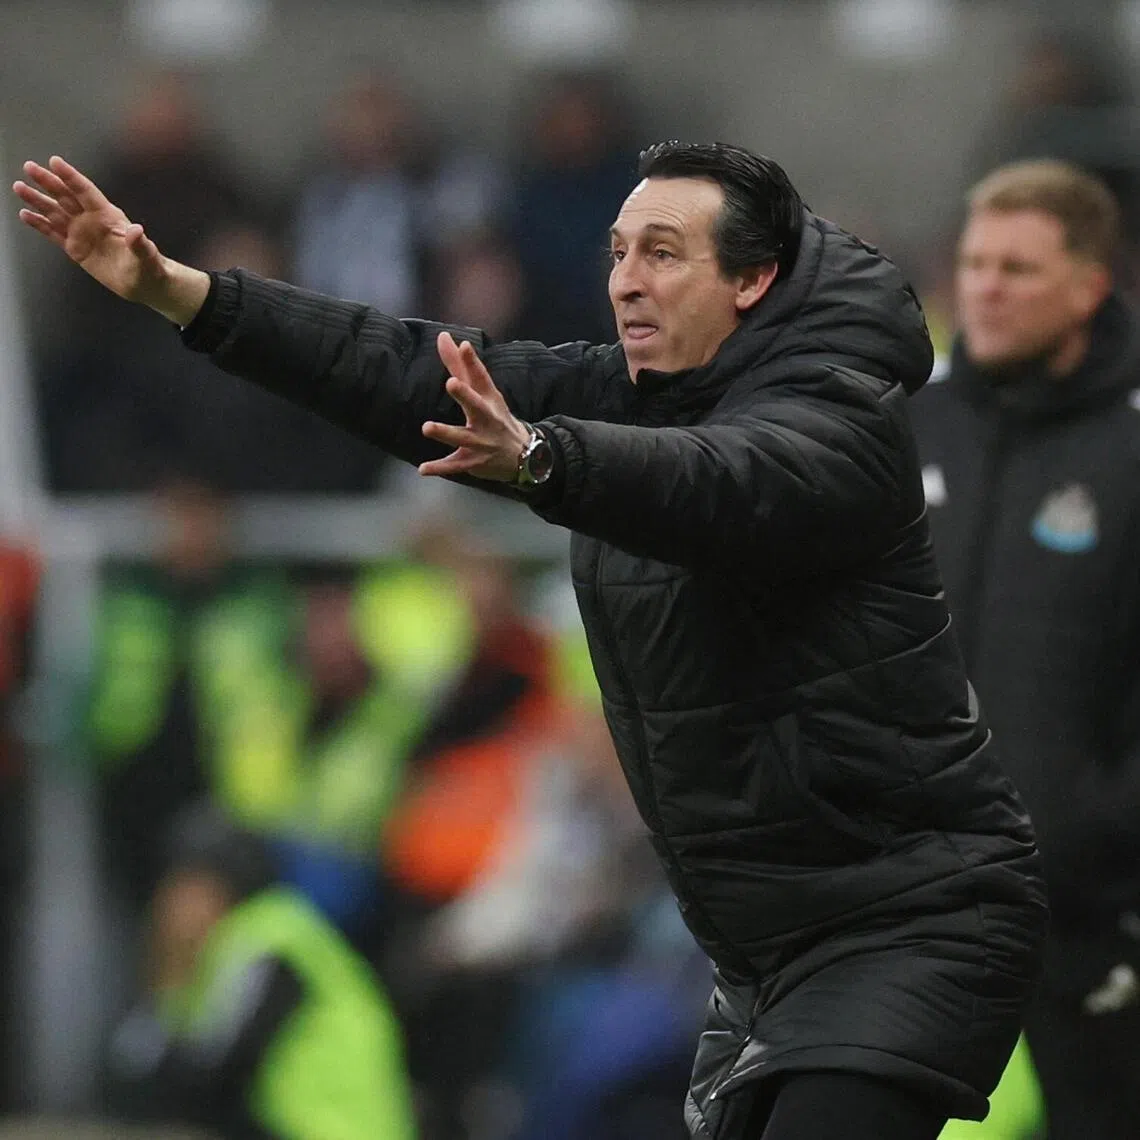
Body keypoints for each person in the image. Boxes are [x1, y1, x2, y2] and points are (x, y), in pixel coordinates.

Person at [13, 143, 1048, 1140]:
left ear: (753, 279)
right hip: (763, 949)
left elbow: (718, 481)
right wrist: (187, 296)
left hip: (910, 915)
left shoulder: (842, 416)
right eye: (616, 252)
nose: (627, 282)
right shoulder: (629, 395)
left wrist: (545, 459)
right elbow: (401, 365)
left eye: (663, 253)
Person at [907, 159, 1140, 1140]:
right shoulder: (909, 423)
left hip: (1092, 913)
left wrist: (1097, 829)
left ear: (1091, 286)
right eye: (974, 263)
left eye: (1018, 268)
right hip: (912, 899)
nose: (986, 287)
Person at [105, 803, 416, 1140]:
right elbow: (138, 1067)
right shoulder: (214, 956)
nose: (175, 907)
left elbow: (217, 1070)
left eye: (191, 888)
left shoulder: (267, 938)